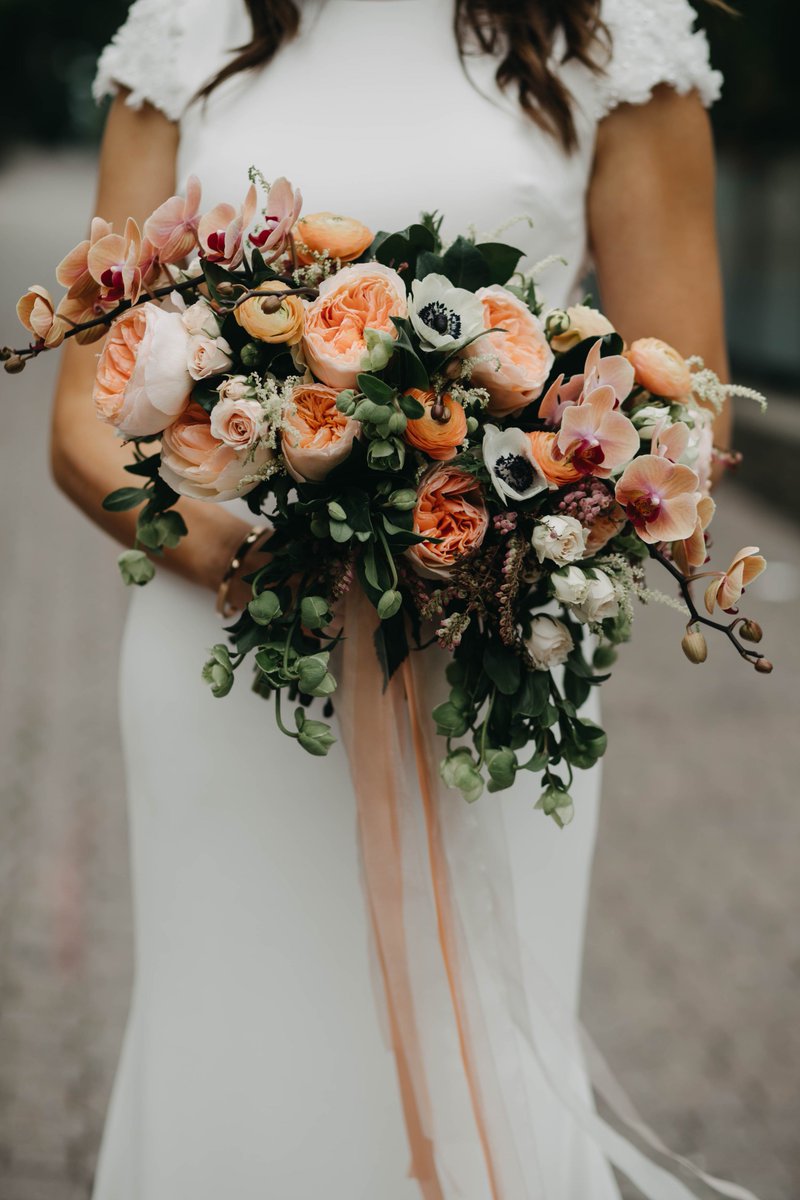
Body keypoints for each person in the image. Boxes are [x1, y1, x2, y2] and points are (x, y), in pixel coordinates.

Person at [50, 0, 740, 1196]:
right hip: (231, 642)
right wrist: (250, 562)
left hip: (492, 652)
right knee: (239, 1035)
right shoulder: (183, 25)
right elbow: (79, 419)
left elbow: (687, 410)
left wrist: (494, 546)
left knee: (476, 1029)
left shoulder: (619, 36)